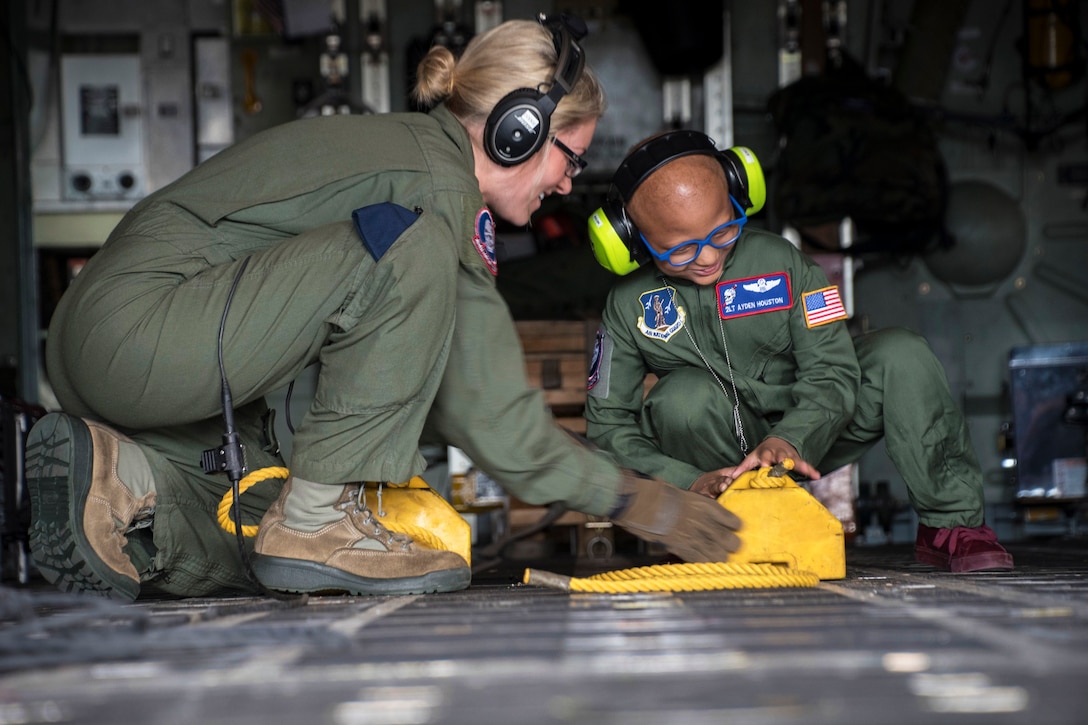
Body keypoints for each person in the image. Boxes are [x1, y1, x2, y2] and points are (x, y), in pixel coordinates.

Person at [25, 17, 742, 602]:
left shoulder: (413, 158)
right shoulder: (432, 192)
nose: (567, 184)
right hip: (144, 333)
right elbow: (497, 420)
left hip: (130, 359)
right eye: (570, 158)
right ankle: (317, 519)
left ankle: (129, 484)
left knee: (267, 536)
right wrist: (647, 502)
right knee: (409, 247)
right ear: (517, 130)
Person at [583, 130, 1014, 573]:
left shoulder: (783, 262)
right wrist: (688, 482)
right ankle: (715, 530)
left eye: (723, 230)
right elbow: (608, 425)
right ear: (630, 240)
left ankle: (951, 525)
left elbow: (831, 368)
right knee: (681, 399)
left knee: (901, 353)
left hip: (814, 427)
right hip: (711, 460)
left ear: (737, 194)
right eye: (680, 249)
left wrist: (790, 438)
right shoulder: (627, 305)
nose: (709, 257)